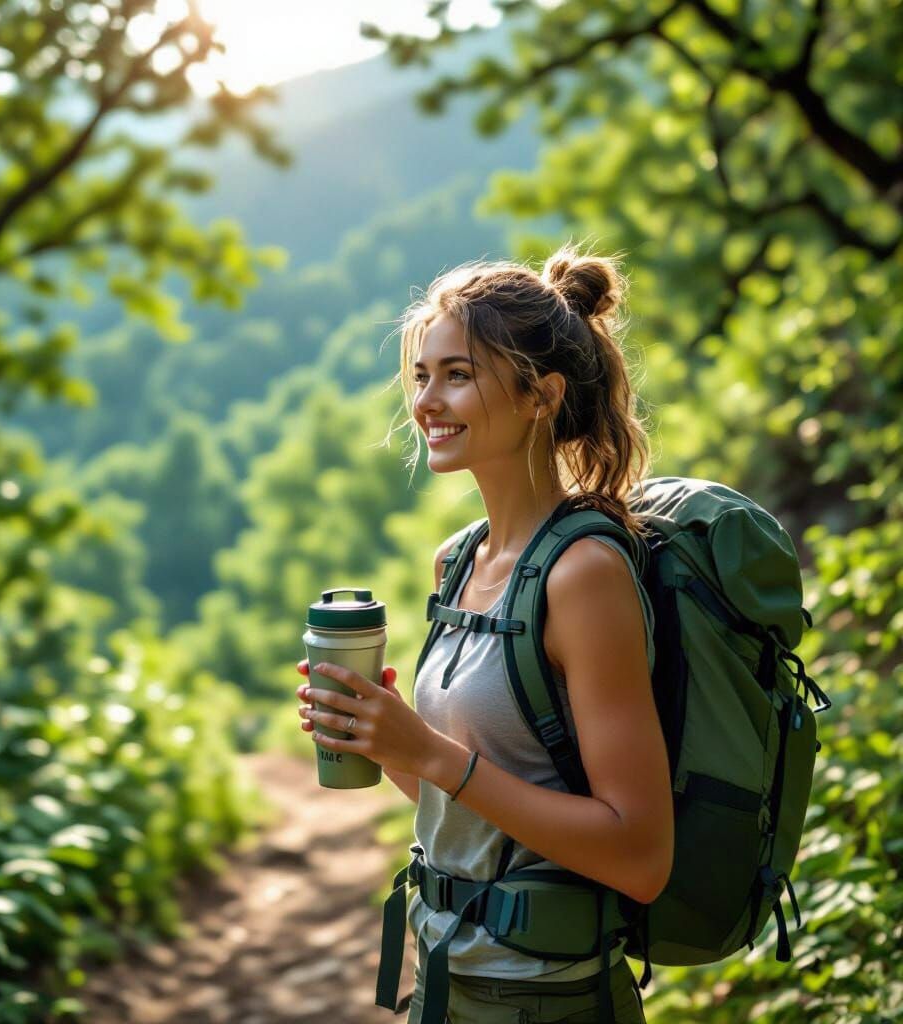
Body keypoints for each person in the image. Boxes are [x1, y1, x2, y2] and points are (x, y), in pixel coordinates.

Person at [295, 242, 673, 1023]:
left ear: (542, 396)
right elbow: (470, 812)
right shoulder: (457, 563)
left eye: (458, 375)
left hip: (547, 999)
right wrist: (386, 743)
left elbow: (640, 856)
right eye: (421, 375)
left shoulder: (584, 575)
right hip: (442, 979)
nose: (426, 401)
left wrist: (431, 750)